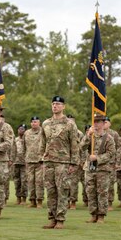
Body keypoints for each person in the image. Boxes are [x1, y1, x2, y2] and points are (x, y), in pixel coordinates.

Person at [39, 96, 79, 229]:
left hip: (63, 161)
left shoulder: (69, 124)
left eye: (58, 104)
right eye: (53, 104)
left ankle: (60, 219)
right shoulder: (45, 123)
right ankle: (52, 218)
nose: (55, 106)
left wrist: (74, 163)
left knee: (62, 190)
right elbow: (42, 142)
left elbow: (74, 144)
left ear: (63, 106)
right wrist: (41, 158)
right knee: (50, 191)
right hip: (48, 161)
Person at [80, 114, 116, 223]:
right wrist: (87, 136)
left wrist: (97, 158)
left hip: (102, 169)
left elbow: (111, 153)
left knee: (102, 192)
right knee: (90, 191)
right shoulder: (90, 135)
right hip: (90, 168)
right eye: (94, 121)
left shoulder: (108, 138)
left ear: (103, 123)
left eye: (98, 121)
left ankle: (101, 215)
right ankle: (93, 214)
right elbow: (81, 147)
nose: (95, 123)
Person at [24, 116, 44, 208]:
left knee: (39, 182)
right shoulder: (26, 133)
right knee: (30, 181)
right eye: (32, 122)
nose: (34, 123)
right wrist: (25, 158)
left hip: (40, 161)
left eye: (36, 122)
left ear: (39, 123)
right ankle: (32, 201)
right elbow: (24, 147)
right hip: (29, 160)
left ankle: (39, 201)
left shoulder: (43, 132)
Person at [66, 114, 87, 209]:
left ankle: (73, 202)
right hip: (65, 161)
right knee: (65, 183)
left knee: (74, 183)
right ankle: (66, 201)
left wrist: (82, 161)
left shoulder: (79, 134)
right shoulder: (63, 132)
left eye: (72, 120)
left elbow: (83, 149)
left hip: (76, 162)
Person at [104, 116, 120, 211]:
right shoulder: (97, 132)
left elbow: (119, 148)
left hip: (111, 163)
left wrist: (117, 161)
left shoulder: (114, 134)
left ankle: (109, 203)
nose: (105, 123)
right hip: (100, 162)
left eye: (106, 122)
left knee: (110, 183)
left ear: (110, 124)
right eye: (103, 122)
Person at [12, 124, 28, 205]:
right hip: (16, 162)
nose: (21, 130)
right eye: (19, 129)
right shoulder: (15, 140)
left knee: (24, 181)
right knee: (17, 181)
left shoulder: (27, 140)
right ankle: (18, 198)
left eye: (23, 129)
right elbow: (13, 151)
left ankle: (24, 198)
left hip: (24, 163)